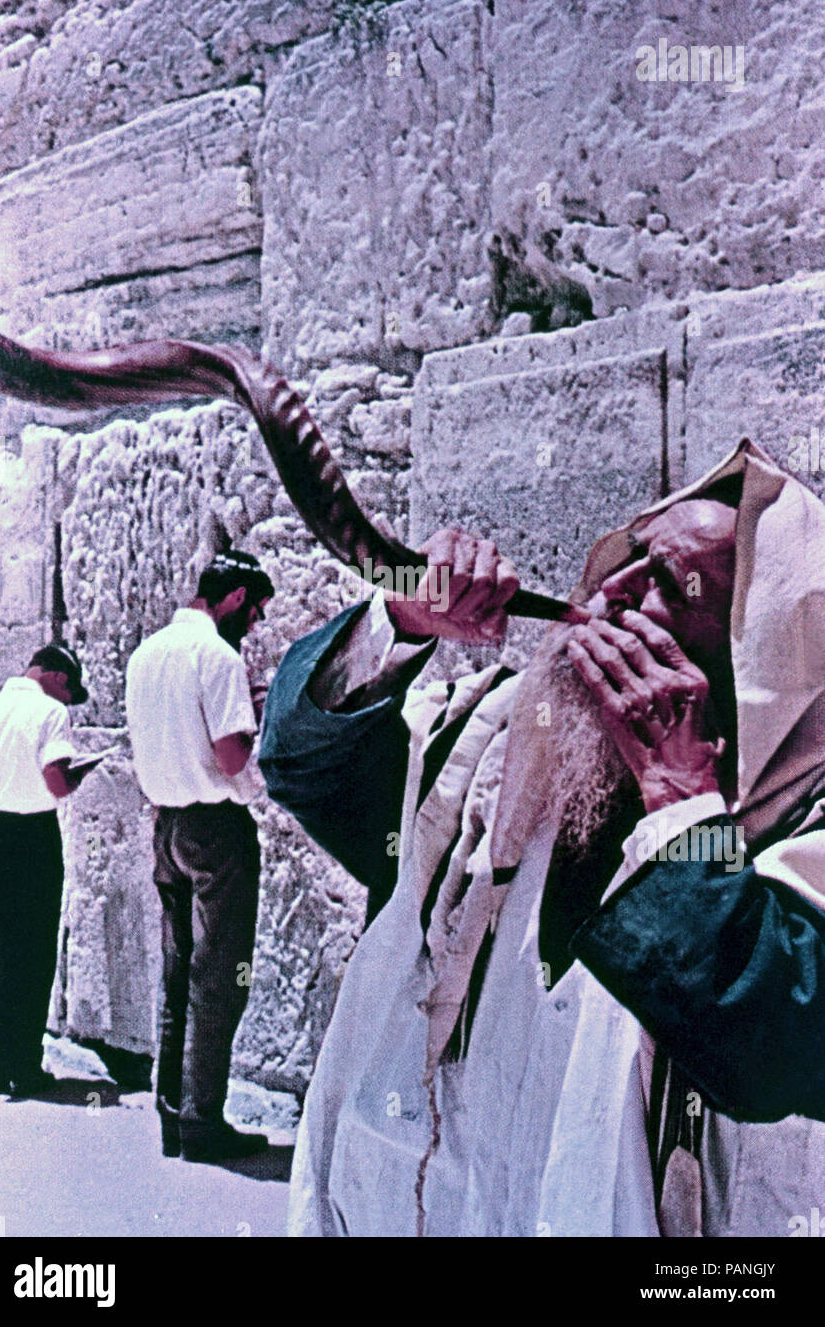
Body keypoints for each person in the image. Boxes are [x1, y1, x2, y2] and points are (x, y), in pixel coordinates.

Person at [258, 439, 825, 1236]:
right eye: (628, 555)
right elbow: (300, 759)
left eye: (664, 583)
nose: (608, 591)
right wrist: (401, 614)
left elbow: (775, 1045)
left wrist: (676, 798)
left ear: (749, 658)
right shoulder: (491, 752)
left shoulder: (801, 833)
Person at [126, 550, 274, 1164]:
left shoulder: (145, 655)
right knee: (219, 977)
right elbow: (232, 756)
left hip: (166, 829)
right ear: (236, 597)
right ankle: (203, 1123)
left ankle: (173, 1114)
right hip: (215, 829)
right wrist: (260, 722)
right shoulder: (218, 655)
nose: (256, 625)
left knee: (178, 972)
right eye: (256, 612)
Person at [0, 644, 92, 1097]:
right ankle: (27, 1065)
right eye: (68, 689)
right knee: (35, 954)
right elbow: (57, 782)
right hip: (34, 838)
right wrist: (81, 773)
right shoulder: (49, 712)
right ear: (57, 677)